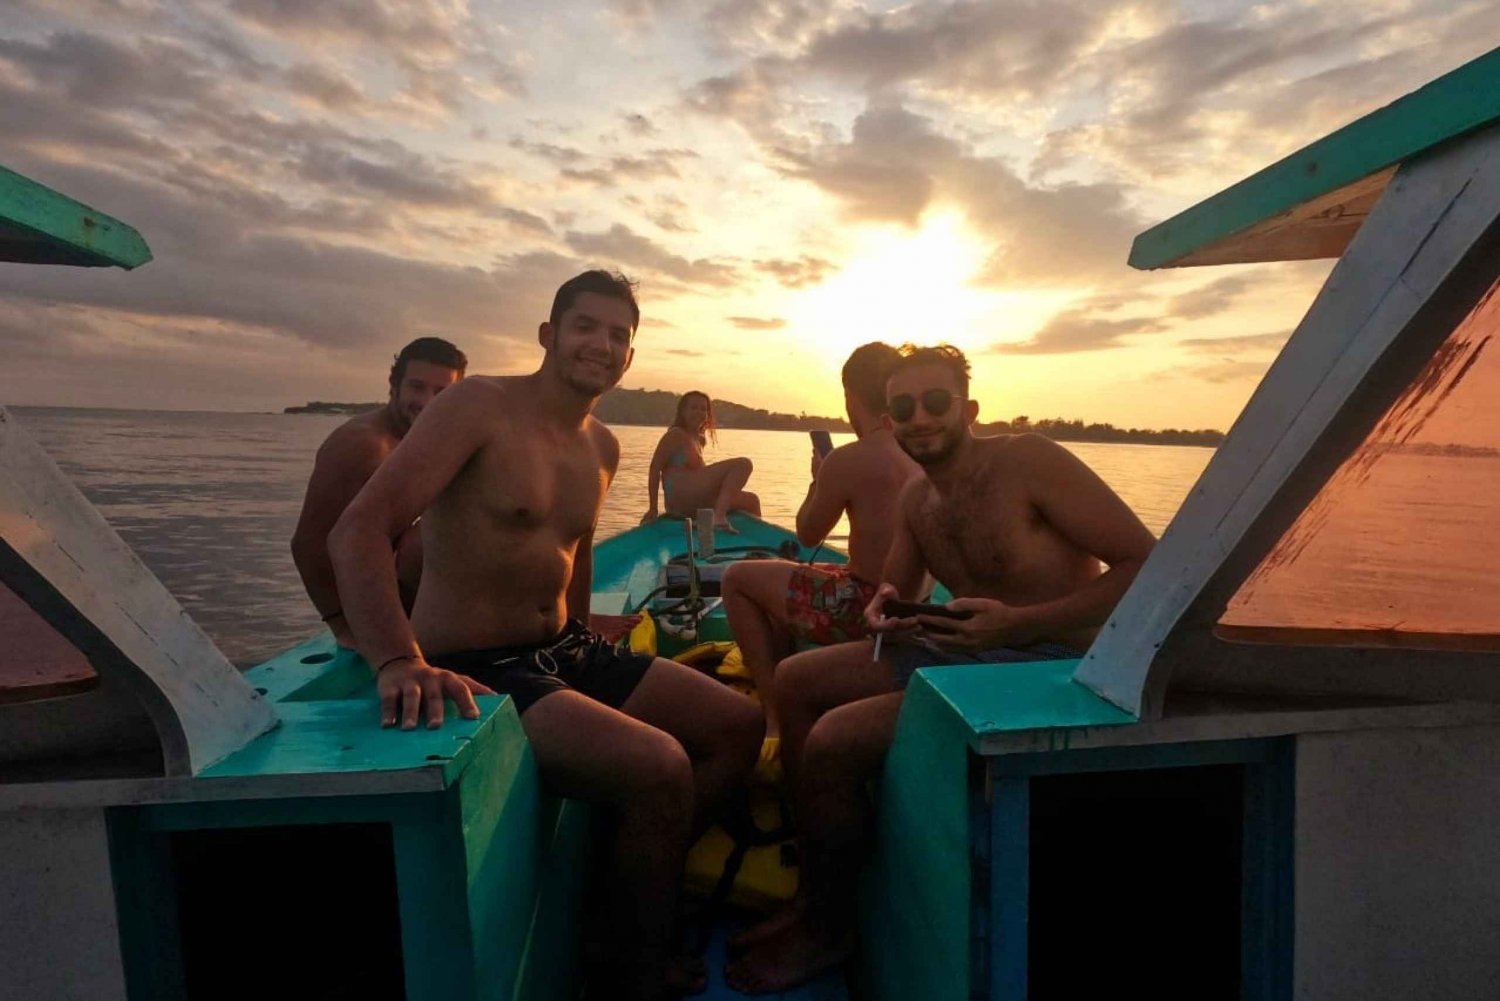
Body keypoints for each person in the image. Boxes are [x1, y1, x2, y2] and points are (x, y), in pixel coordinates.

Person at [328, 270, 764, 1001]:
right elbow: (359, 530)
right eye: (586, 325)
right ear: (548, 334)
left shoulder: (603, 445)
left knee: (739, 725)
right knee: (660, 766)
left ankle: (620, 890)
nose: (602, 343)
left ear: (631, 355)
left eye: (619, 334)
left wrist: (589, 624)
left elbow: (578, 545)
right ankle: (629, 968)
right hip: (479, 664)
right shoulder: (479, 406)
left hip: (564, 647)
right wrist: (397, 659)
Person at [725, 343, 1157, 993]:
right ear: (890, 417)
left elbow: (1146, 564)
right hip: (971, 646)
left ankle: (831, 926)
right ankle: (815, 891)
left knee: (837, 740)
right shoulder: (918, 501)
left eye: (936, 401)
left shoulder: (1029, 462)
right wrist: (883, 612)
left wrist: (1022, 623)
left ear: (970, 407)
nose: (920, 417)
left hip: (1052, 658)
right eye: (904, 406)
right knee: (793, 682)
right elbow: (893, 591)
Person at [720, 342, 920, 736]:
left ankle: (773, 714)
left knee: (737, 578)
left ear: (850, 396)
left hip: (861, 606)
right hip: (911, 608)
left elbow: (808, 532)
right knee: (789, 577)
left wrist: (819, 478)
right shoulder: (920, 449)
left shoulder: (848, 459)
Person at [291, 336, 466, 647]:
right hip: (380, 612)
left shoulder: (436, 439)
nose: (427, 401)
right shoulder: (363, 443)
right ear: (394, 384)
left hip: (429, 608)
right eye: (417, 387)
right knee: (423, 540)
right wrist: (342, 625)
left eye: (441, 392)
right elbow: (308, 543)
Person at [643, 390, 760, 532]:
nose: (698, 412)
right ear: (683, 412)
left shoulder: (700, 440)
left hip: (698, 502)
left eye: (703, 409)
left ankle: (759, 547)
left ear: (707, 415)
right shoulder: (675, 435)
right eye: (693, 408)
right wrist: (653, 508)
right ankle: (719, 517)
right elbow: (654, 469)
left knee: (752, 501)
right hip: (681, 500)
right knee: (743, 464)